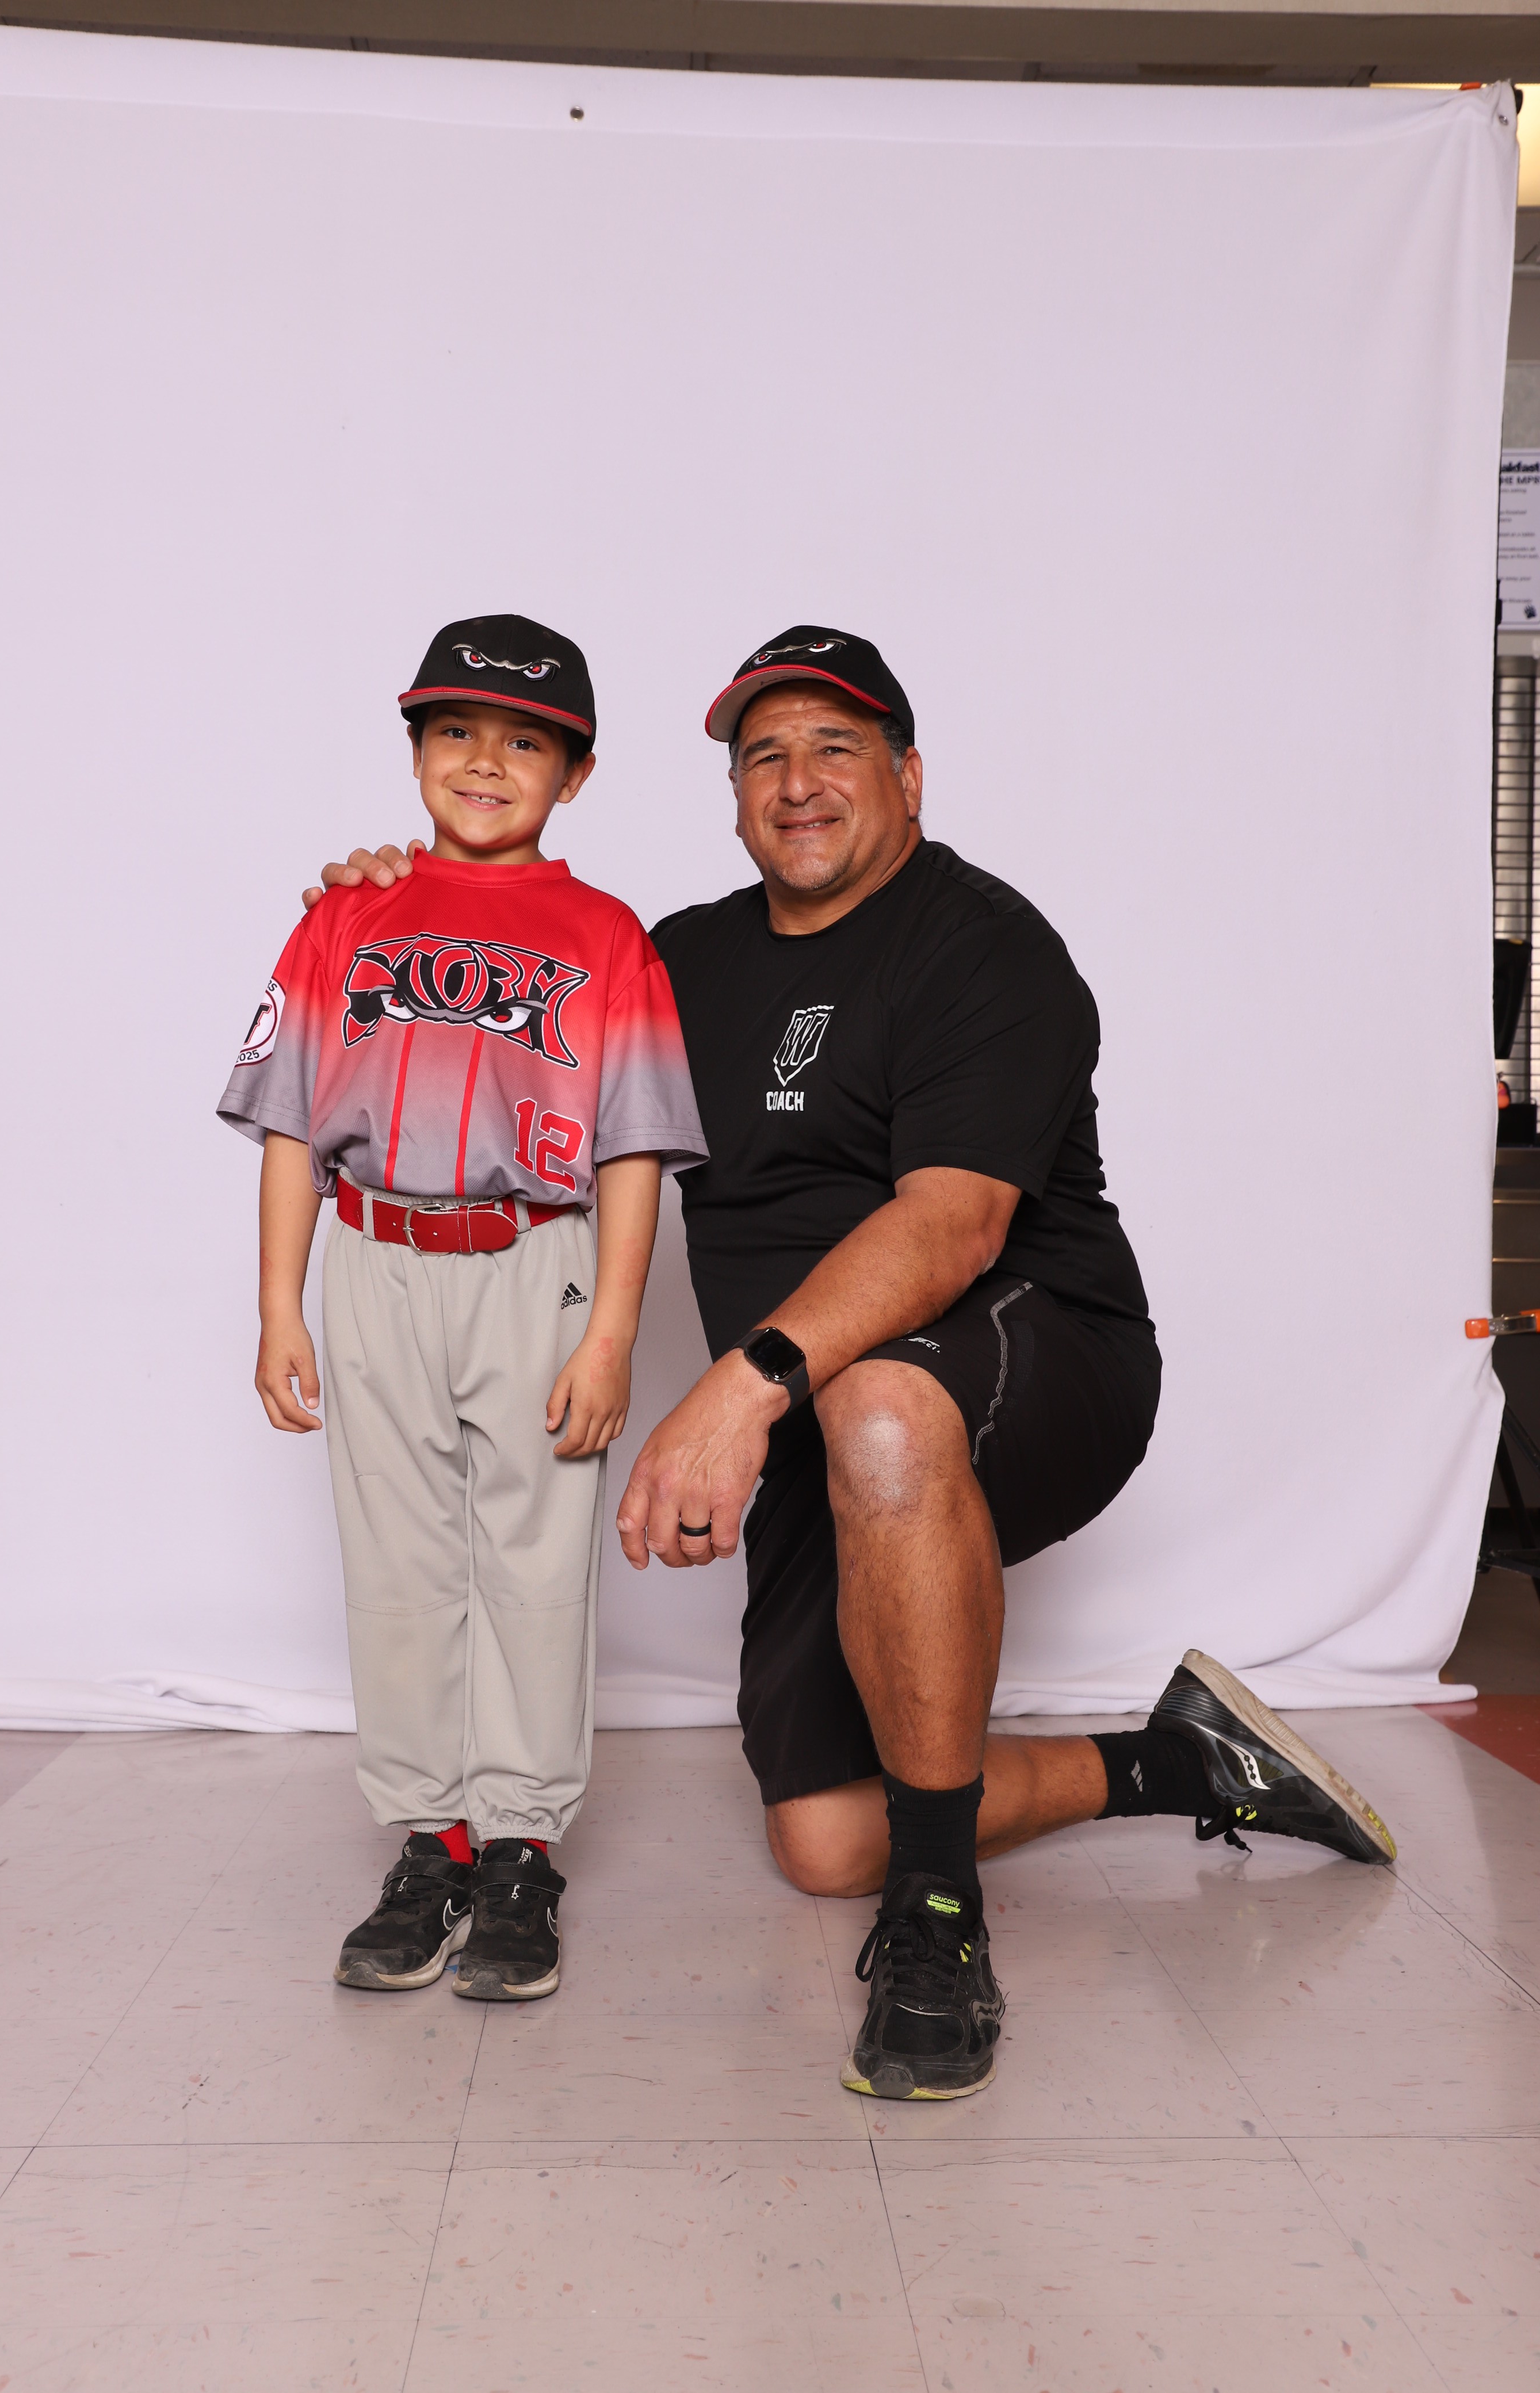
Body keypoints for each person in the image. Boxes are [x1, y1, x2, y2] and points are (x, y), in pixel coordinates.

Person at [307, 624, 1395, 2101]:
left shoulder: (985, 945)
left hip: (1035, 1357)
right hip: (817, 1416)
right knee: (822, 1840)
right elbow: (494, 1000)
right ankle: (1180, 1762)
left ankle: (940, 1921)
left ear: (909, 776)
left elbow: (951, 1224)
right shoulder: (679, 960)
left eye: (835, 747)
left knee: (881, 1403)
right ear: (731, 795)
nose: (797, 782)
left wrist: (739, 1388)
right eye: (762, 755)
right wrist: (404, 897)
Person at [220, 614, 705, 2005]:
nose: (485, 761)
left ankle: (520, 1846)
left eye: (524, 741)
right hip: (373, 1254)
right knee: (398, 1558)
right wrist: (280, 1305)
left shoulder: (606, 935)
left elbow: (630, 1151)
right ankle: (429, 1839)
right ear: (415, 748)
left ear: (577, 772)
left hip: (535, 1260)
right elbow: (291, 1129)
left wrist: (611, 1333)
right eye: (454, 731)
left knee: (535, 1561)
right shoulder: (344, 914)